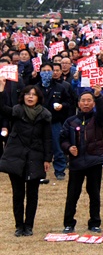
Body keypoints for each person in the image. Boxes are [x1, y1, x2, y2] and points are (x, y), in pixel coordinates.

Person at [0, 81, 52, 237]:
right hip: (16, 156)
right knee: (18, 193)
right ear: (23, 97)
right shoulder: (17, 111)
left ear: (38, 98)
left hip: (35, 157)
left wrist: (47, 158)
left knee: (32, 193)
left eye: (34, 95)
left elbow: (47, 139)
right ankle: (19, 226)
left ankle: (29, 225)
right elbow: (2, 108)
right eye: (28, 94)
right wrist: (1, 90)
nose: (30, 97)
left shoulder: (44, 115)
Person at [60, 86, 103, 234]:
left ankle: (94, 222)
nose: (86, 103)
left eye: (89, 100)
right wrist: (68, 148)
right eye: (83, 101)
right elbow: (62, 139)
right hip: (76, 162)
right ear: (78, 103)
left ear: (93, 103)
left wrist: (99, 96)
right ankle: (68, 223)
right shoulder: (71, 121)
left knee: (94, 193)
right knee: (73, 194)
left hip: (94, 161)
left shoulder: (98, 119)